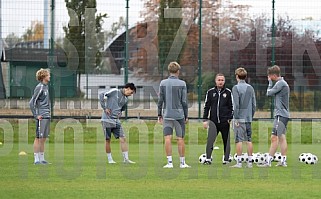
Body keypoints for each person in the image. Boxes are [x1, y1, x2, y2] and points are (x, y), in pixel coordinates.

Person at [157, 61, 190, 169]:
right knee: (180, 138)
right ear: (178, 71)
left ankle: (169, 162)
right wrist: (186, 115)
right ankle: (182, 163)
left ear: (169, 71)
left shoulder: (163, 83)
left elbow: (160, 100)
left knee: (167, 138)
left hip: (167, 114)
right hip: (179, 115)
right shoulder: (182, 84)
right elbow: (184, 101)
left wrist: (159, 114)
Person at [99, 83, 137, 164]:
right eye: (131, 92)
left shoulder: (126, 99)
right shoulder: (114, 91)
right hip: (107, 120)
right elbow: (101, 94)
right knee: (108, 140)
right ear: (128, 88)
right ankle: (110, 160)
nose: (131, 95)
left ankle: (126, 159)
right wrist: (104, 108)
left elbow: (122, 108)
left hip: (116, 121)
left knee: (123, 138)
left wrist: (120, 112)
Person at [260, 65, 290, 167]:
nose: (268, 77)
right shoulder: (282, 83)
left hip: (281, 115)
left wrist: (269, 83)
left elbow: (269, 93)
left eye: (269, 76)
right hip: (283, 115)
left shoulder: (280, 83)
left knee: (274, 137)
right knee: (281, 137)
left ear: (273, 75)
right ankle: (283, 161)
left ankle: (268, 161)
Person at [202, 73, 233, 165]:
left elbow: (231, 107)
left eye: (222, 80)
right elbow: (206, 106)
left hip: (224, 121)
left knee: (226, 140)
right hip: (213, 121)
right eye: (219, 80)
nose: (220, 82)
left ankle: (226, 159)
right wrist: (205, 119)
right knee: (210, 140)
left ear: (224, 81)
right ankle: (208, 158)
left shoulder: (228, 93)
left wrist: (230, 118)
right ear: (215, 81)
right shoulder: (210, 92)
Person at [230, 67, 256, 168]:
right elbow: (254, 104)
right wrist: (250, 115)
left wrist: (235, 118)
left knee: (239, 140)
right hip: (248, 118)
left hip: (239, 118)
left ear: (237, 76)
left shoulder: (236, 88)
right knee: (248, 140)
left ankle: (239, 162)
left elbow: (236, 105)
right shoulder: (250, 88)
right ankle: (250, 162)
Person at [29, 68, 51, 165]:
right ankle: (36, 159)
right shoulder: (40, 87)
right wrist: (36, 115)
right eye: (48, 75)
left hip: (47, 116)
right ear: (43, 77)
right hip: (41, 116)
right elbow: (32, 102)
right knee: (38, 137)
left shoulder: (46, 87)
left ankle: (42, 159)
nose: (50, 76)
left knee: (44, 138)